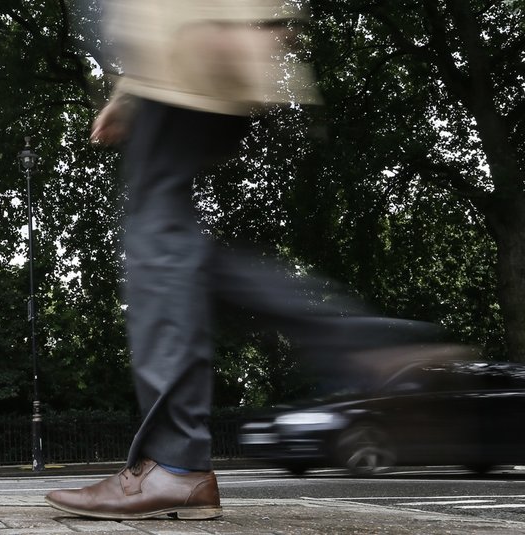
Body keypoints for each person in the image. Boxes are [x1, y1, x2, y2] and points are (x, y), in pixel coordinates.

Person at [45, 0, 457, 520]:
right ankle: (362, 342)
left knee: (159, 245)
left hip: (188, 45)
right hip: (190, 57)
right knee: (180, 251)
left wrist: (231, 23)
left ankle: (175, 465)